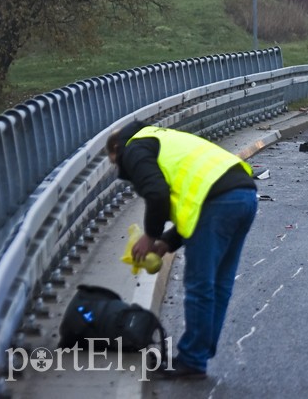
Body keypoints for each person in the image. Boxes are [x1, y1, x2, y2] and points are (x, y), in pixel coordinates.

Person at [106, 120, 258, 379]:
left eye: (113, 161)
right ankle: (200, 352)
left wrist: (150, 236)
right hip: (244, 196)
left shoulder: (133, 148)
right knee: (219, 285)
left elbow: (156, 194)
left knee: (200, 285)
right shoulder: (163, 138)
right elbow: (192, 196)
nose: (116, 165)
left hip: (217, 204)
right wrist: (166, 242)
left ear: (116, 149)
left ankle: (192, 360)